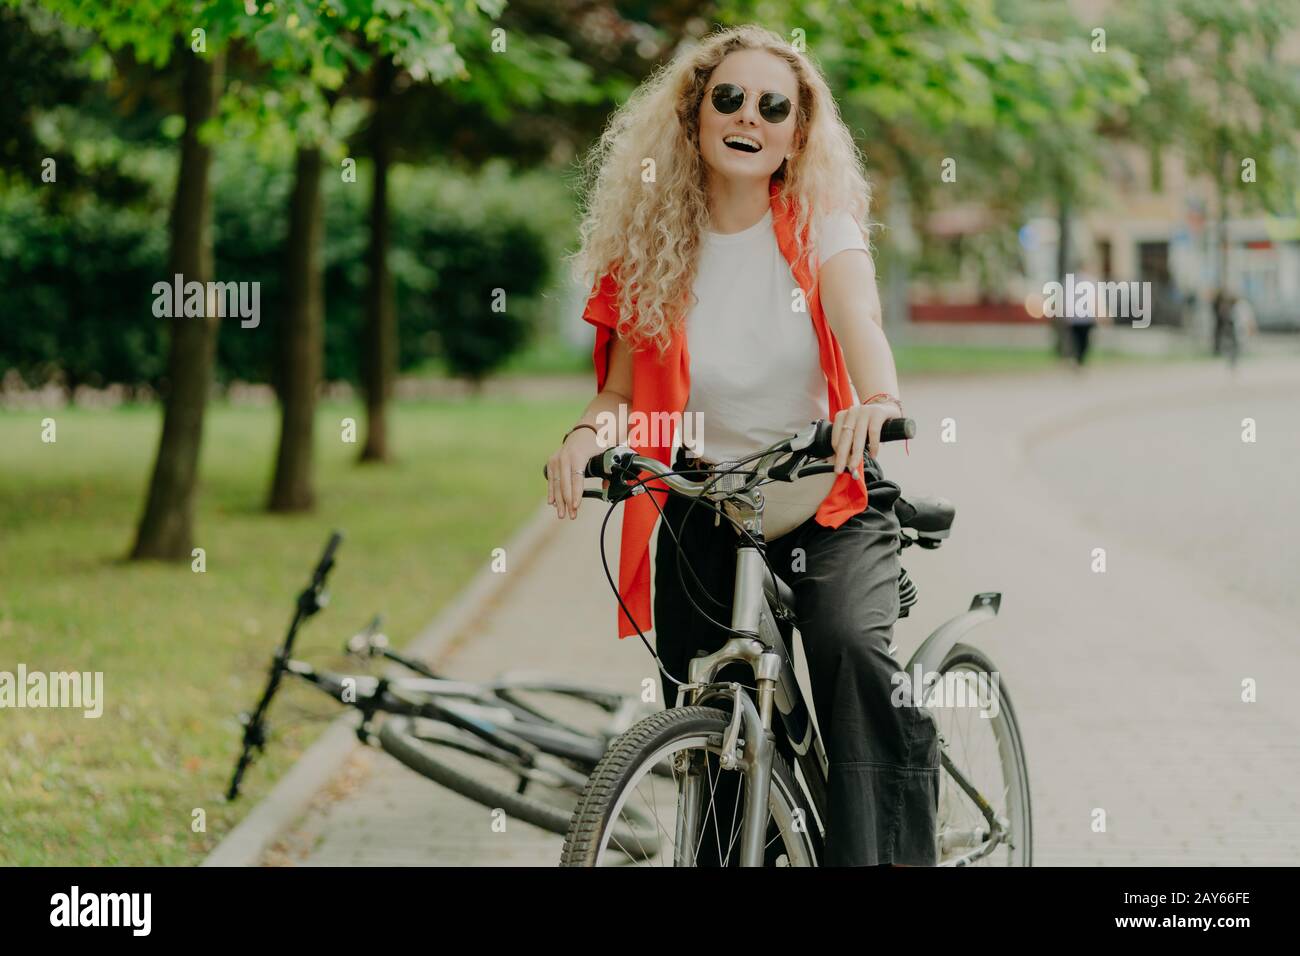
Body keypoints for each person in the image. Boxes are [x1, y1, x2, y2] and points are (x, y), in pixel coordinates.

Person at [544, 25, 940, 867]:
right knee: (707, 708)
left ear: (797, 133)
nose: (748, 116)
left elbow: (860, 321)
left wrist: (878, 399)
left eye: (774, 106)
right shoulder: (649, 248)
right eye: (729, 98)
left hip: (822, 493)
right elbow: (618, 393)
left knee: (847, 651)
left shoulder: (822, 229)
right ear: (694, 115)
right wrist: (584, 438)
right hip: (704, 501)